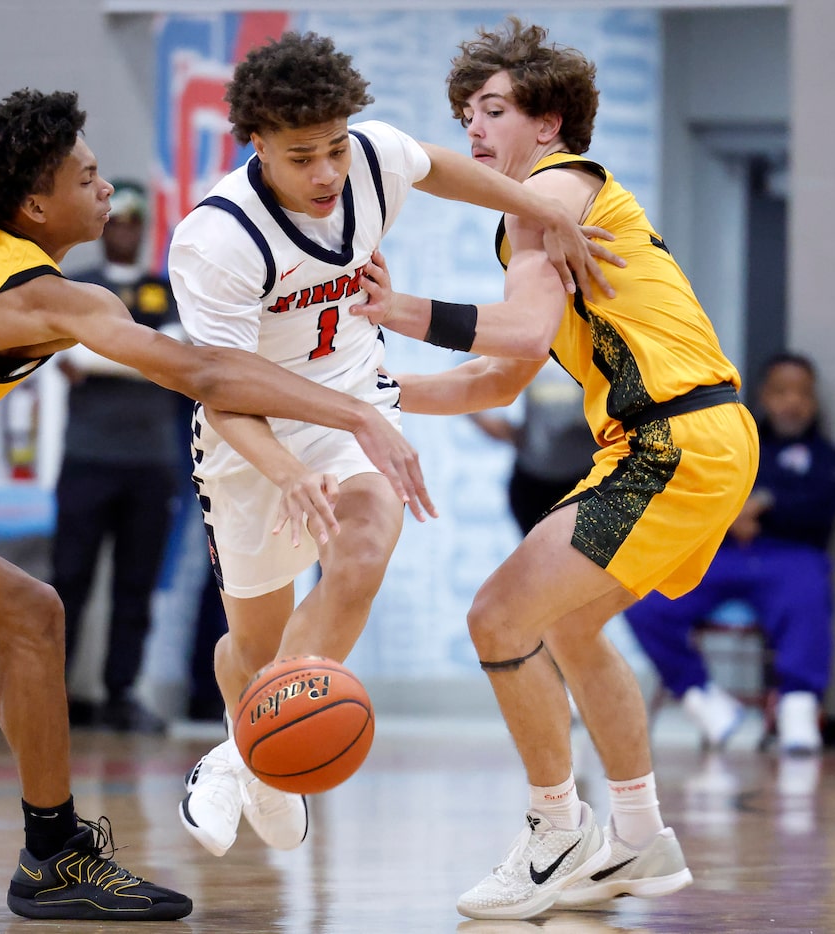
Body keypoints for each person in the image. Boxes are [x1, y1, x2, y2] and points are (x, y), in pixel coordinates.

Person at [0, 88, 438, 923]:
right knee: (29, 616)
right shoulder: (50, 299)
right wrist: (354, 412)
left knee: (25, 616)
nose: (106, 189)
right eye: (88, 176)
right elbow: (205, 374)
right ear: (36, 206)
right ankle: (55, 858)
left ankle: (53, 855)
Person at [166, 30, 620, 861]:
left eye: (336, 148)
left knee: (364, 547)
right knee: (256, 648)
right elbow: (222, 391)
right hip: (251, 431)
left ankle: (236, 757)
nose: (327, 173)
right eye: (302, 157)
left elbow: (439, 167)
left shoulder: (371, 158)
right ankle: (256, 741)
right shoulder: (216, 241)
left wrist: (542, 208)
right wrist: (286, 469)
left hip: (352, 402)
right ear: (256, 144)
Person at [352, 19, 760, 920]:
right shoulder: (537, 216)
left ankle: (553, 829)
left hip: (674, 437)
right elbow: (497, 380)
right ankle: (637, 836)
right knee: (570, 628)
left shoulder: (553, 186)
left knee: (498, 616)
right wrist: (366, 395)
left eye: (493, 108)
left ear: (548, 123)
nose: (473, 126)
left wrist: (395, 307)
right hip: (690, 436)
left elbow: (522, 332)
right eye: (466, 112)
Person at [625, 352, 835, 755]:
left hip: (789, 558)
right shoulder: (734, 446)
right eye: (782, 391)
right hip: (721, 556)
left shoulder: (826, 458)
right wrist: (732, 516)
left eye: (802, 393)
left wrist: (766, 503)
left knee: (808, 593)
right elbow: (696, 494)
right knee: (644, 601)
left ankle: (797, 706)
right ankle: (702, 698)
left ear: (814, 401)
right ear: (764, 395)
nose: (792, 402)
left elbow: (824, 504)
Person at [51, 179, 179, 734]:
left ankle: (121, 694)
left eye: (134, 222)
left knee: (136, 584)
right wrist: (148, 354)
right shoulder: (77, 287)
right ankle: (49, 690)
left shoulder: (163, 289)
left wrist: (103, 353)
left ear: (144, 227)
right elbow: (67, 356)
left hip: (151, 461)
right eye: (116, 220)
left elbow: (180, 353)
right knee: (69, 579)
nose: (124, 230)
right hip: (87, 458)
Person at [470, 360, 596, 535]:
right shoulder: (528, 347)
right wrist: (501, 429)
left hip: (590, 477)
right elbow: (470, 377)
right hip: (534, 481)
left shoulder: (603, 348)